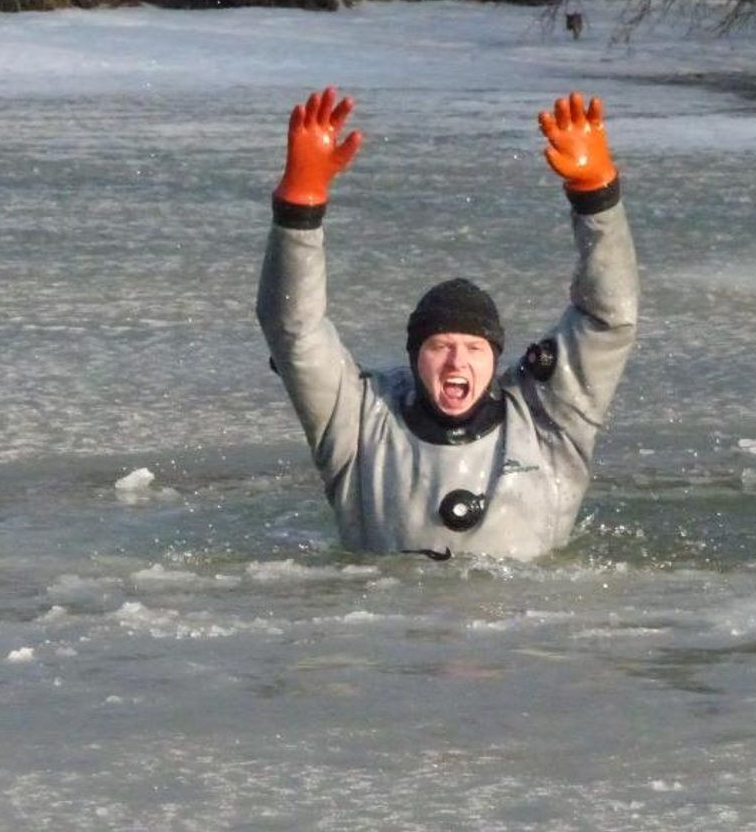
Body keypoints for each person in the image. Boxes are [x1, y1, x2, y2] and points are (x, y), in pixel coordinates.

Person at [257, 87, 638, 561]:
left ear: (496, 358)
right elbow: (292, 330)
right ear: (415, 357)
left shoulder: (549, 420)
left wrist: (597, 198)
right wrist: (299, 206)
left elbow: (609, 319)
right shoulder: (357, 421)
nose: (458, 359)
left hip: (524, 630)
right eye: (440, 345)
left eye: (475, 348)